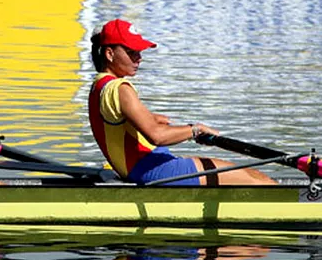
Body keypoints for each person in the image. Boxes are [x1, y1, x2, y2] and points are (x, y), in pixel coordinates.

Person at [88, 19, 276, 186]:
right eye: (131, 52)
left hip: (143, 165)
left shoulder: (99, 85)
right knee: (257, 179)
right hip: (152, 169)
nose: (139, 58)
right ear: (110, 54)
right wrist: (194, 130)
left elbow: (124, 122)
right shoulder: (121, 89)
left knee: (249, 175)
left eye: (138, 51)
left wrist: (156, 119)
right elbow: (157, 136)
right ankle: (295, 203)